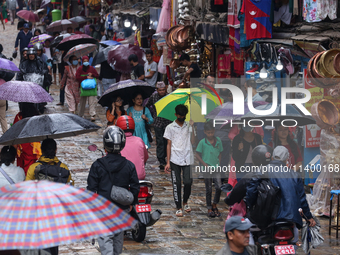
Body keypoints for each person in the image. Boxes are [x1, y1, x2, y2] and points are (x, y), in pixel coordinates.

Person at [87, 126, 139, 255]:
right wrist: (131, 203)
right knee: (118, 245)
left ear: (105, 145)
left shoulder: (97, 165)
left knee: (106, 245)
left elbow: (91, 190)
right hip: (121, 211)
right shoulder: (129, 166)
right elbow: (135, 187)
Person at [246, 146, 316, 241]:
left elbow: (251, 190)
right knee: (294, 240)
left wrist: (251, 206)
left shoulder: (262, 170)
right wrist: (308, 217)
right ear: (287, 159)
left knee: (246, 228)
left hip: (268, 217)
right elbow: (302, 199)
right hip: (291, 218)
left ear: (272, 158)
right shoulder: (295, 175)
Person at [164, 104, 195, 217]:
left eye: (184, 115)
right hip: (174, 158)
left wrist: (192, 128)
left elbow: (193, 141)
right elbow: (168, 144)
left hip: (187, 157)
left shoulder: (188, 125)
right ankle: (178, 206)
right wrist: (168, 162)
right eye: (180, 115)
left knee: (188, 182)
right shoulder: (170, 127)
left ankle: (185, 201)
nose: (182, 117)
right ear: (176, 115)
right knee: (176, 183)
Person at [195, 121, 223, 218]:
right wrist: (204, 164)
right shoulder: (202, 142)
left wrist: (218, 163)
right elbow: (197, 154)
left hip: (216, 167)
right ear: (205, 132)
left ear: (214, 131)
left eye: (212, 132)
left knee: (219, 186)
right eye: (208, 132)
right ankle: (209, 207)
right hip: (207, 168)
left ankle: (214, 204)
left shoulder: (218, 140)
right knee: (209, 189)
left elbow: (220, 152)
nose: (210, 134)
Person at [145, 81, 172, 170]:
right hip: (158, 122)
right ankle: (161, 160)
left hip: (167, 123)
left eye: (163, 90)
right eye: (160, 90)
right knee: (160, 142)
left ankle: (167, 158)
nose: (162, 92)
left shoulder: (168, 97)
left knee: (167, 142)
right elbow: (147, 105)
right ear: (157, 90)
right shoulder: (154, 97)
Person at [17, 48, 52, 113]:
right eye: (30, 54)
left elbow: (44, 72)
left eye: (32, 54)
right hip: (27, 87)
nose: (31, 56)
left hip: (38, 86)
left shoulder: (40, 62)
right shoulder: (24, 64)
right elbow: (20, 74)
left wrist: (46, 81)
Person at [116, 115, 148, 180]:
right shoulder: (139, 140)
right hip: (139, 176)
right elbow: (145, 158)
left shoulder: (116, 142)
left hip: (122, 178)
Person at [13, 103, 41, 174]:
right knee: (30, 171)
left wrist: (14, 149)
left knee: (21, 171)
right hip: (33, 148)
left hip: (21, 148)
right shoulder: (36, 117)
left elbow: (14, 134)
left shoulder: (19, 117)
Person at [76, 56, 99, 121]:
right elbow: (77, 77)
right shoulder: (80, 69)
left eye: (87, 61)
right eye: (84, 61)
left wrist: (92, 75)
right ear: (82, 61)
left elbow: (97, 75)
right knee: (82, 102)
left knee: (91, 101)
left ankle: (92, 114)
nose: (86, 62)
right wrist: (86, 77)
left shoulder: (92, 68)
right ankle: (81, 114)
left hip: (91, 88)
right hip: (83, 88)